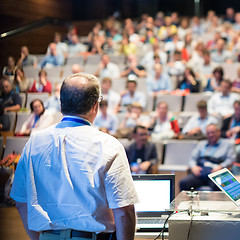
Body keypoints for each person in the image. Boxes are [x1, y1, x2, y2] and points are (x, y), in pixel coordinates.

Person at [10, 72, 137, 240]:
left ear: (62, 104)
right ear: (94, 106)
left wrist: (39, 237)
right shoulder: (108, 145)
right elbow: (123, 211)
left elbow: (21, 202)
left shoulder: (34, 143)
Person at [180, 124, 236, 191]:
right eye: (208, 133)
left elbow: (230, 159)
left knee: (219, 185)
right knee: (184, 183)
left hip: (217, 172)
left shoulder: (227, 144)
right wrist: (194, 167)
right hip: (201, 173)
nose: (210, 135)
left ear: (219, 132)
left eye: (212, 132)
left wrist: (221, 166)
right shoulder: (201, 144)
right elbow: (192, 159)